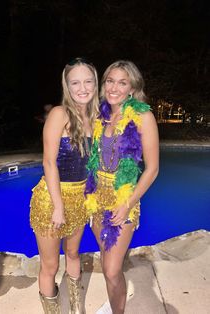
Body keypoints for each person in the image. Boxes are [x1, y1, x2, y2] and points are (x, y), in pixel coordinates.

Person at [85, 60, 159, 314]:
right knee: (107, 263)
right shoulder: (99, 115)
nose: (114, 87)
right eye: (110, 80)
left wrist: (127, 204)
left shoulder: (142, 117)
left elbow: (152, 169)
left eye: (122, 82)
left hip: (123, 199)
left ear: (132, 88)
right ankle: (114, 300)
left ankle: (118, 310)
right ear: (103, 84)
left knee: (112, 268)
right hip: (96, 198)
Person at [30, 58, 99, 314]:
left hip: (80, 199)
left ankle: (76, 309)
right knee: (49, 266)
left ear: (95, 83)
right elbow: (49, 162)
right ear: (67, 86)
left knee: (73, 255)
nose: (82, 88)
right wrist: (58, 207)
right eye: (75, 82)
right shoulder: (60, 114)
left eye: (88, 81)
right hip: (51, 199)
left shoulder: (96, 117)